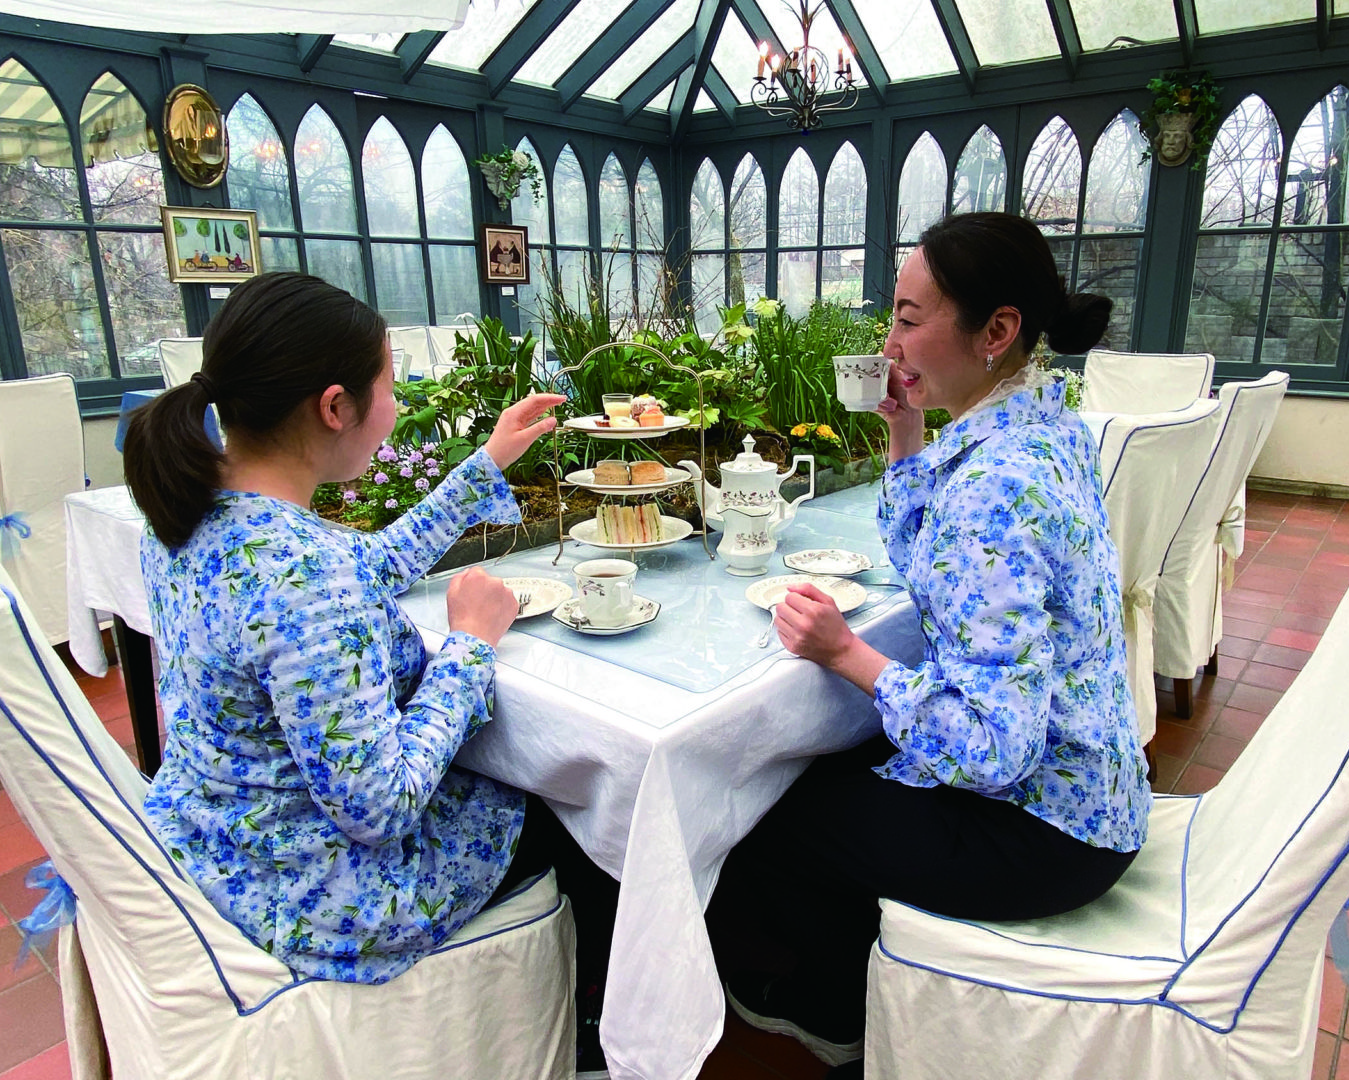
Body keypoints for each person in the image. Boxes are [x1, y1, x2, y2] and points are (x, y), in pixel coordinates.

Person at [121, 273, 616, 1064]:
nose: (395, 402)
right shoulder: (303, 574)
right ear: (334, 407)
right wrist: (468, 648)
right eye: (390, 384)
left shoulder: (189, 518)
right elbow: (382, 807)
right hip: (321, 892)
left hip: (221, 842)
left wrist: (489, 459)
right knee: (570, 809)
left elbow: (367, 566)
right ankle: (586, 1032)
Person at [706, 213, 1150, 1078]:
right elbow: (933, 569)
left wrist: (847, 655)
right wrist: (905, 436)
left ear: (997, 330)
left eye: (909, 319)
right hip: (1096, 788)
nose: (890, 342)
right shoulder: (1044, 427)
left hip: (1048, 832)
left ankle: (838, 1009)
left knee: (763, 810)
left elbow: (991, 747)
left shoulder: (995, 483)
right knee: (821, 767)